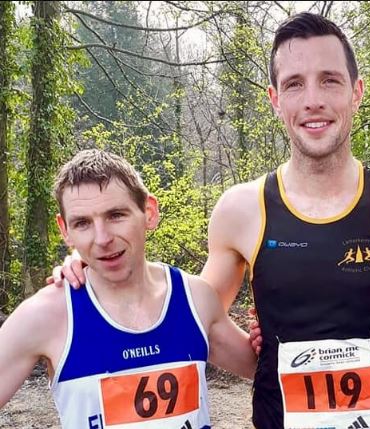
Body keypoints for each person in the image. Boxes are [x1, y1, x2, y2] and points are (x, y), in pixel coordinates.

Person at [54, 14, 370, 429]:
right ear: (274, 100)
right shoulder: (241, 209)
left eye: (329, 80)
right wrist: (90, 272)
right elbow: (188, 319)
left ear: (356, 91)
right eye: (294, 84)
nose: (313, 101)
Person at [1, 149, 257, 428]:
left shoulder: (195, 298)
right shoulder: (46, 314)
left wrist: (273, 320)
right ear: (65, 230)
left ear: (149, 212)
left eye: (115, 215)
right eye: (82, 223)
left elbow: (264, 367)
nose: (102, 239)